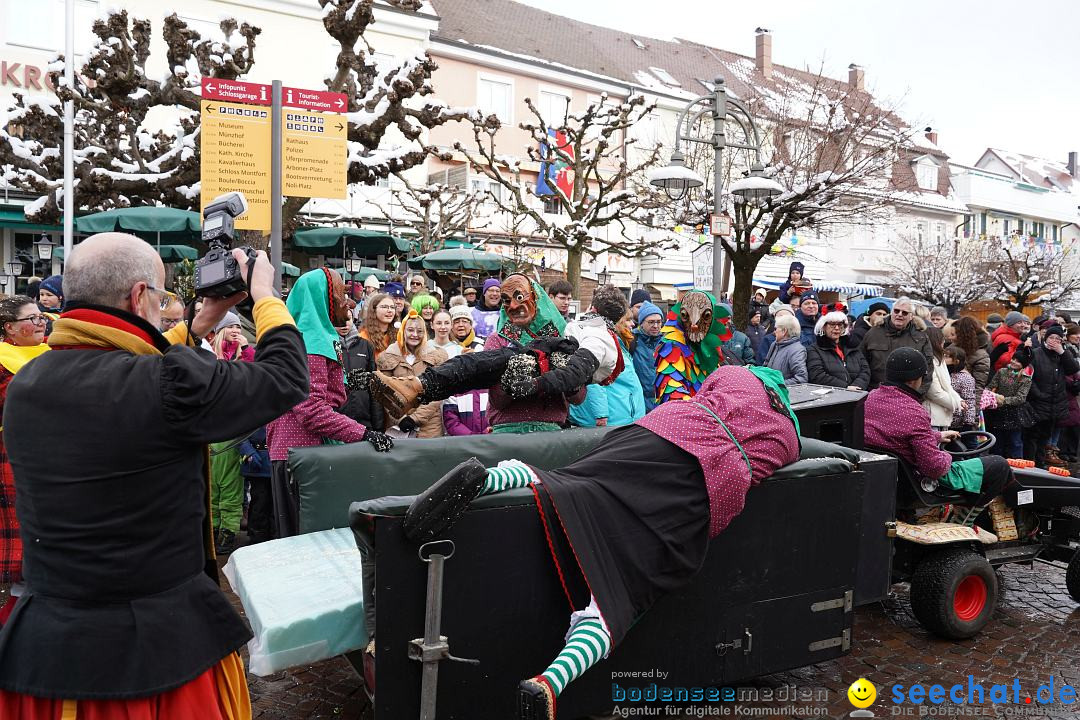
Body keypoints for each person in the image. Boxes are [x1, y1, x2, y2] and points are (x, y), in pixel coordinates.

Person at [0, 233, 308, 717]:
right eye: (162, 297)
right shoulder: (165, 383)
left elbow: (136, 371)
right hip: (158, 654)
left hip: (51, 651)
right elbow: (285, 379)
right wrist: (266, 298)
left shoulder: (26, 384)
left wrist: (200, 322)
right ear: (139, 296)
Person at [401, 365, 807, 719]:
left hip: (670, 430)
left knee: (575, 480)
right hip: (710, 488)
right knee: (623, 595)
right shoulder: (791, 436)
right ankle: (549, 683)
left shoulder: (737, 376)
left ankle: (493, 478)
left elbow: (701, 391)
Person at [268, 269, 394, 538]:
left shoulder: (308, 336)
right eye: (340, 294)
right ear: (320, 299)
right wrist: (363, 433)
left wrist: (353, 383)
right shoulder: (311, 342)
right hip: (303, 457)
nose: (347, 303)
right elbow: (311, 410)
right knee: (306, 545)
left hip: (298, 454)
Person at [864, 348, 1014, 506]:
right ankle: (970, 515)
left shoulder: (870, 398)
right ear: (914, 380)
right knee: (1000, 464)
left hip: (888, 476)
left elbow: (895, 433)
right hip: (919, 483)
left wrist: (936, 436)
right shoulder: (914, 412)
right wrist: (948, 455)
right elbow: (935, 468)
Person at [0, 296, 50, 626]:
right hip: (11, 456)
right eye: (32, 319)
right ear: (10, 329)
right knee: (24, 541)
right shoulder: (3, 362)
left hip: (48, 454)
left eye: (42, 317)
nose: (41, 323)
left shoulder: (50, 355)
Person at [209, 311, 255, 555]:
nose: (236, 331)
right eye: (230, 327)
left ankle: (227, 535)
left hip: (234, 432)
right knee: (213, 488)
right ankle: (214, 532)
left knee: (231, 488)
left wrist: (245, 351)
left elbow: (256, 375)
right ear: (219, 331)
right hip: (211, 432)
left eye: (239, 326)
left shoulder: (244, 356)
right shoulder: (210, 356)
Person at [376, 309, 448, 438]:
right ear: (403, 331)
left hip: (429, 426)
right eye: (410, 330)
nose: (415, 334)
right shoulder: (388, 356)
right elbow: (385, 392)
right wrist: (401, 418)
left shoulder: (436, 356)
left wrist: (415, 418)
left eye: (419, 331)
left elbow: (439, 391)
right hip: (398, 426)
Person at [570, 306, 646, 428]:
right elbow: (594, 379)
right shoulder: (602, 341)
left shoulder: (619, 341)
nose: (632, 324)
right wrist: (601, 414)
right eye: (628, 320)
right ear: (618, 321)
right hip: (611, 420)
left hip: (622, 417)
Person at [1022, 325, 1079, 468]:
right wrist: (1038, 394)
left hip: (1054, 403)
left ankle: (1040, 464)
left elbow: (1073, 369)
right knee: (1032, 436)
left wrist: (1062, 352)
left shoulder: (1061, 355)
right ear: (1046, 338)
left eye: (1058, 339)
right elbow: (1028, 377)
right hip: (1037, 402)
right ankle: (1030, 464)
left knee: (1045, 436)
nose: (1054, 341)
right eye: (1051, 337)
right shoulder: (1036, 353)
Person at [860, 297, 933, 390]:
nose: (899, 314)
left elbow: (928, 369)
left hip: (908, 396)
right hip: (876, 392)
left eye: (904, 312)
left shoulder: (920, 337)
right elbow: (861, 362)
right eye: (896, 311)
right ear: (891, 312)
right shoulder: (873, 333)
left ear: (911, 317)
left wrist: (918, 394)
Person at [805, 311, 870, 389]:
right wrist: (846, 388)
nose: (836, 328)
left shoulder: (853, 347)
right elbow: (817, 375)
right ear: (823, 327)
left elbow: (865, 370)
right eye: (832, 324)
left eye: (840, 325)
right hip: (831, 397)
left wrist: (857, 385)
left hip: (857, 394)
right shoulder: (814, 349)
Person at [985, 355, 1033, 459]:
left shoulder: (1026, 379)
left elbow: (1020, 398)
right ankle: (996, 463)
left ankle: (1018, 465)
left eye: (1018, 361)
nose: (1014, 362)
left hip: (1014, 414)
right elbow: (991, 386)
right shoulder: (1002, 371)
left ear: (1023, 365)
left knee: (1015, 441)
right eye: (1013, 359)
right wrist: (988, 394)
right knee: (997, 441)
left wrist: (1002, 400)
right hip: (998, 411)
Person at [922, 325, 962, 430]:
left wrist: (959, 400)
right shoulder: (929, 362)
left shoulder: (939, 360)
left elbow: (947, 387)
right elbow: (934, 392)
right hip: (932, 417)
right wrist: (957, 403)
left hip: (941, 416)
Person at [238, 426, 272, 545]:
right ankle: (257, 537)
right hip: (258, 464)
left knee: (276, 503)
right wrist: (248, 452)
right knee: (260, 502)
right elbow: (240, 433)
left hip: (278, 460)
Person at [631, 301, 663, 411]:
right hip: (640, 404)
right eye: (651, 322)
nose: (656, 326)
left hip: (661, 404)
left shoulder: (667, 342)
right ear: (641, 322)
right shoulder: (632, 341)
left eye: (659, 322)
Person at [952, 316, 991, 395]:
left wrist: (973, 406)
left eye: (955, 334)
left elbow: (977, 387)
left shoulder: (981, 356)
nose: (951, 337)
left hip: (966, 399)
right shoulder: (953, 347)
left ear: (963, 335)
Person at [764, 313, 807, 384]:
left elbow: (801, 378)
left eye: (776, 328)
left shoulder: (797, 350)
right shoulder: (775, 344)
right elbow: (765, 366)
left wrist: (777, 384)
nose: (774, 332)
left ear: (784, 331)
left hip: (785, 393)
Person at [945, 346, 978, 436]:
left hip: (958, 423)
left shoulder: (965, 378)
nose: (943, 358)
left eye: (947, 356)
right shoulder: (946, 373)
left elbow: (969, 400)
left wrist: (968, 422)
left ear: (957, 361)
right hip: (946, 420)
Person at [360, 292, 396, 356]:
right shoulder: (363, 337)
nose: (389, 310)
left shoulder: (399, 334)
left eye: (392, 307)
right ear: (374, 310)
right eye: (384, 307)